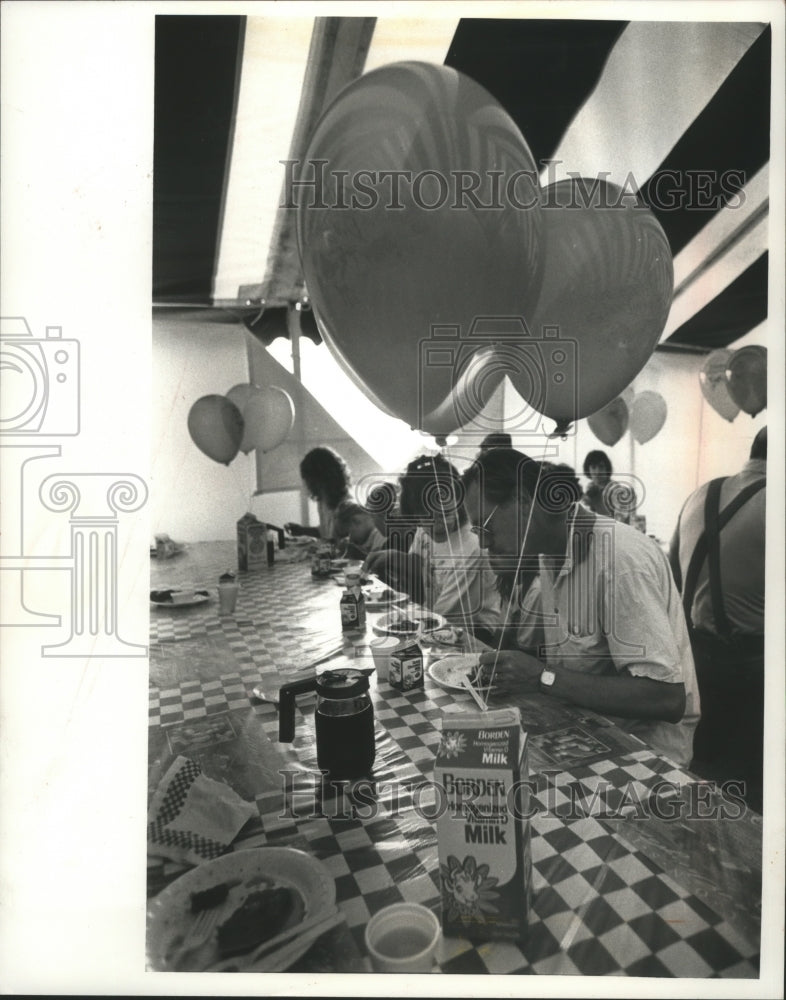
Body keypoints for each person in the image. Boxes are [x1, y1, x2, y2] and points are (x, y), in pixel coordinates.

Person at [463, 448, 700, 768]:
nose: (484, 544)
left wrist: (541, 677)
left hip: (645, 755)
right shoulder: (548, 554)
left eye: (486, 527)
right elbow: (546, 653)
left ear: (522, 501)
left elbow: (666, 699)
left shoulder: (617, 560)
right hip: (586, 732)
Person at [668, 427, 766, 811]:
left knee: (701, 772)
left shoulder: (700, 493)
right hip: (754, 669)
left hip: (697, 658)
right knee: (747, 786)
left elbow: (673, 572)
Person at [364, 454, 500, 631]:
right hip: (436, 620)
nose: (437, 525)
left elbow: (441, 620)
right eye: (425, 516)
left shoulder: (473, 547)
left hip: (474, 633)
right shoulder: (424, 526)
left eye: (445, 513)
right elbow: (421, 563)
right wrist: (393, 556)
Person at [285, 447, 352, 542]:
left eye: (309, 479)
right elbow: (324, 532)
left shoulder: (347, 507)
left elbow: (343, 545)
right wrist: (301, 530)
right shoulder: (322, 500)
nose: (307, 484)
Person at [581, 449, 637, 524]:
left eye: (601, 467)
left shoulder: (617, 491)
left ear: (607, 469)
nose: (597, 472)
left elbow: (620, 522)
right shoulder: (590, 488)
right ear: (588, 470)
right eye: (593, 467)